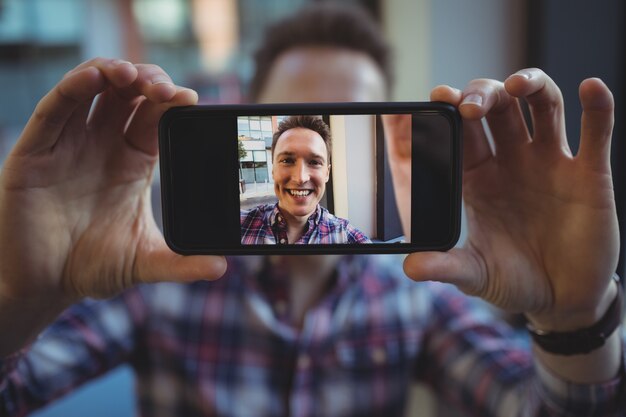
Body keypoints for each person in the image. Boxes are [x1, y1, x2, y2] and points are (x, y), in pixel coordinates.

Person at [0, 3, 624, 417]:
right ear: (268, 162)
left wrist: (574, 320)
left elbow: (543, 406)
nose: (302, 176)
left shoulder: (414, 292)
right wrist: (18, 295)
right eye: (288, 158)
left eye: (317, 160)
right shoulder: (159, 281)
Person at [240, 114, 371, 245]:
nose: (301, 178)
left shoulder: (347, 238)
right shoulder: (239, 225)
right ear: (273, 170)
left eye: (314, 162)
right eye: (287, 160)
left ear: (327, 173)